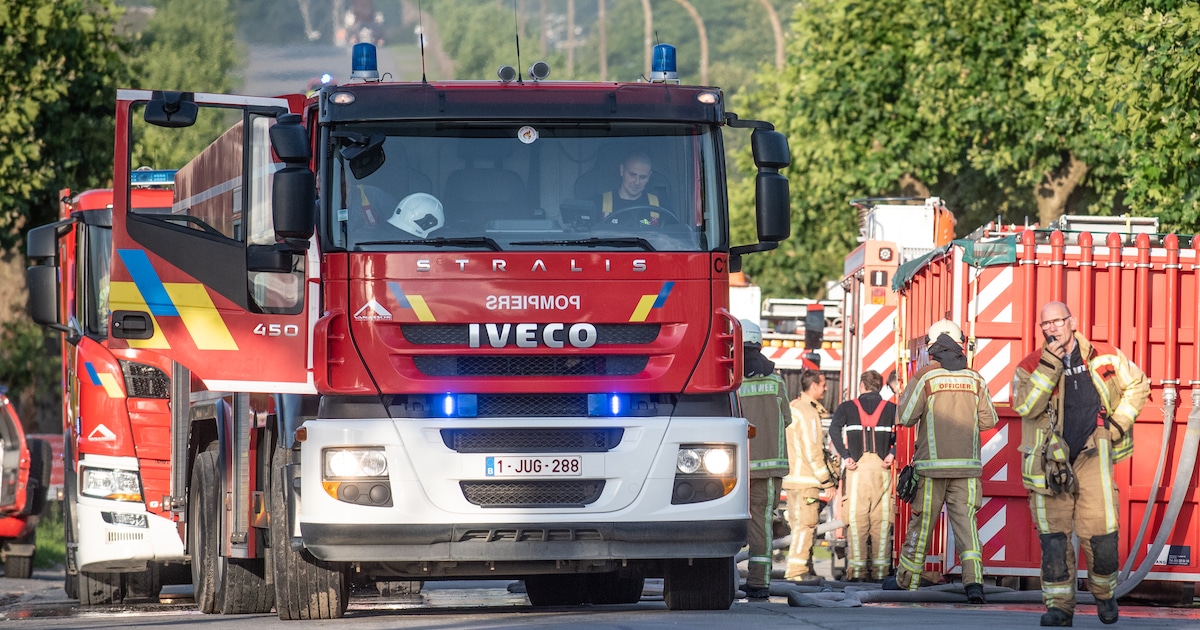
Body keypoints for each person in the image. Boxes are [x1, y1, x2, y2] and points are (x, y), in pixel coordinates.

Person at [1012, 302, 1148, 627]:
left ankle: (1104, 593)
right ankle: (1059, 608)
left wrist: (1115, 427)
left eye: (1057, 321)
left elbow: (1139, 385)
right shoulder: (1030, 365)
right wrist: (1050, 363)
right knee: (1054, 542)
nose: (1051, 328)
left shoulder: (1105, 356)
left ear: (1072, 322)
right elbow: (1026, 407)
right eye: (1045, 324)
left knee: (1103, 537)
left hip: (1093, 456)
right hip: (1050, 464)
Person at [891, 319, 998, 604]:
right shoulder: (975, 378)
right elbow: (989, 420)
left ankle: (907, 582)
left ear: (933, 347)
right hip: (967, 469)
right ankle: (974, 584)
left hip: (931, 469)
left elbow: (906, 417)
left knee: (922, 525)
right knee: (966, 527)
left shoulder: (926, 377)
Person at [737, 318, 790, 599]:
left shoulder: (730, 379)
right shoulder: (776, 380)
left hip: (734, 467)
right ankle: (759, 582)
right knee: (761, 524)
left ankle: (725, 578)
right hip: (770, 466)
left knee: (725, 522)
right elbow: (787, 419)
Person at [827, 369, 897, 581]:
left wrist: (846, 455)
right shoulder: (892, 409)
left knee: (857, 523)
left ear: (862, 386)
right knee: (881, 522)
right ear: (880, 386)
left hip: (856, 471)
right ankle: (880, 573)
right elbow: (906, 433)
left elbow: (834, 430)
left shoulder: (847, 407)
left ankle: (857, 572)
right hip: (882, 471)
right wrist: (892, 453)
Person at [783, 369, 835, 582]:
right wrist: (827, 481)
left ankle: (806, 569)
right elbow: (813, 450)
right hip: (806, 480)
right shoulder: (808, 412)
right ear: (813, 386)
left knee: (799, 527)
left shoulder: (793, 407)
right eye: (823, 385)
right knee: (806, 527)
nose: (826, 389)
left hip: (792, 479)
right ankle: (796, 572)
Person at [599, 151, 663, 225]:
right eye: (632, 175)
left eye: (643, 177)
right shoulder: (599, 203)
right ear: (622, 170)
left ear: (649, 176)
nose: (637, 182)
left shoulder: (659, 206)